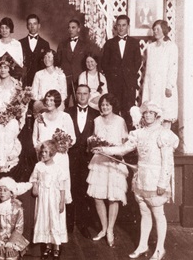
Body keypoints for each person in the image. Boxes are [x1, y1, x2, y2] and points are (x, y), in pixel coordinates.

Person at [93, 101, 179, 260]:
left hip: (156, 179)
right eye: (145, 113)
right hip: (141, 178)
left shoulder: (164, 134)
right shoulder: (139, 133)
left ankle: (160, 248)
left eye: (150, 113)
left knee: (158, 214)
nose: (147, 115)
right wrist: (103, 149)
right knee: (144, 213)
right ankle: (143, 245)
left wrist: (163, 182)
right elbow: (124, 148)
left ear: (156, 115)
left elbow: (167, 161)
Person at [86, 93, 128, 247]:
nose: (104, 107)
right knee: (98, 197)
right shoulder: (96, 121)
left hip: (114, 161)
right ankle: (103, 228)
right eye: (102, 105)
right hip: (99, 162)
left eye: (107, 105)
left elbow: (125, 144)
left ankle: (110, 229)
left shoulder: (120, 121)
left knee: (113, 197)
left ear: (112, 106)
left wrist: (114, 151)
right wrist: (93, 146)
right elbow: (93, 139)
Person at [66, 84, 100, 236]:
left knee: (85, 191)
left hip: (87, 158)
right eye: (79, 93)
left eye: (84, 94)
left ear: (89, 95)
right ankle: (68, 225)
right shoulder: (67, 112)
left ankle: (83, 224)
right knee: (70, 189)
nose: (81, 96)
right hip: (70, 157)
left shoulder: (96, 113)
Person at [32, 90, 76, 206]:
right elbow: (34, 139)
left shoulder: (65, 117)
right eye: (47, 100)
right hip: (44, 158)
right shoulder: (39, 118)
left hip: (60, 158)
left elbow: (72, 138)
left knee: (60, 188)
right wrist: (40, 149)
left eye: (51, 100)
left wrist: (62, 145)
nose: (48, 102)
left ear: (57, 101)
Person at [101, 15, 142, 130]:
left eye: (123, 25)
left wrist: (129, 75)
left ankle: (129, 137)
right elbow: (104, 63)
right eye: (118, 25)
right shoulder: (109, 43)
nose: (121, 28)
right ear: (115, 27)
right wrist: (113, 76)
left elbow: (137, 62)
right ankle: (115, 135)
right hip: (114, 83)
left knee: (128, 110)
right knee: (114, 108)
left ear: (128, 26)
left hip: (129, 83)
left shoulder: (134, 43)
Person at [30, 140, 68, 260]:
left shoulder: (58, 168)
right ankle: (47, 245)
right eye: (42, 152)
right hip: (43, 198)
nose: (43, 154)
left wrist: (62, 202)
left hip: (54, 198)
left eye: (46, 152)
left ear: (52, 153)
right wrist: (35, 186)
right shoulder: (38, 166)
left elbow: (62, 188)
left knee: (55, 220)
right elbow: (33, 178)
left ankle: (56, 246)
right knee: (45, 219)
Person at [0, 177, 32, 260]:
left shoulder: (18, 209)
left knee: (10, 258)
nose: (2, 193)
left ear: (11, 193)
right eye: (0, 190)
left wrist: (10, 243)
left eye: (5, 190)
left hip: (14, 239)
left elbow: (19, 229)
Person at [0, 54, 23, 173]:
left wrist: (10, 116)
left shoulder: (16, 84)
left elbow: (21, 105)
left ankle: (7, 164)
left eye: (5, 67)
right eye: (1, 67)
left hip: (11, 117)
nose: (3, 70)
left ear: (10, 69)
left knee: (10, 128)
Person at [142, 20, 178, 129]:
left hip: (164, 86)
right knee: (152, 114)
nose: (155, 31)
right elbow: (148, 70)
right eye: (154, 29)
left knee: (165, 115)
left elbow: (173, 67)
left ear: (164, 30)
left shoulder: (171, 46)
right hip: (152, 87)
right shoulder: (150, 47)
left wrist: (169, 86)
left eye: (158, 29)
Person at [57, 19, 90, 107]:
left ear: (78, 29)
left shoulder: (85, 45)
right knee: (64, 103)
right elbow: (58, 62)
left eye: (73, 27)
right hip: (65, 79)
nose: (71, 30)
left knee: (80, 103)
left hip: (79, 79)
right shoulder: (62, 44)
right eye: (69, 28)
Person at [19, 14, 50, 86]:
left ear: (39, 26)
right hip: (24, 80)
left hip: (40, 80)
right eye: (30, 24)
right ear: (27, 26)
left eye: (34, 24)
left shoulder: (45, 44)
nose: (32, 26)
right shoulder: (20, 43)